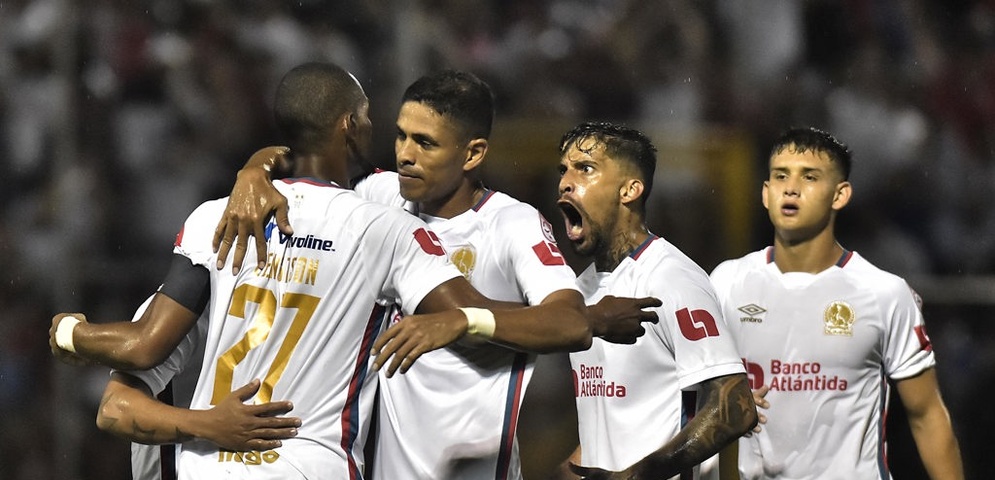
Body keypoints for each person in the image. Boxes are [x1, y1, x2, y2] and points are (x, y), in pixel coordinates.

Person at [49, 62, 654, 479]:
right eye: (399, 136)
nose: (406, 154)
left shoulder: (512, 225)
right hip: (345, 458)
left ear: (472, 153)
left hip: (465, 466)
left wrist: (463, 321)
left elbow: (567, 323)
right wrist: (254, 172)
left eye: (426, 143)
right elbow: (311, 154)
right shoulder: (378, 206)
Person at [708, 127, 964, 479]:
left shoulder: (884, 293)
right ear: (766, 193)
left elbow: (927, 414)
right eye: (780, 176)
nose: (791, 187)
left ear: (840, 195)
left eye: (809, 177)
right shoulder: (726, 282)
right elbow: (700, 396)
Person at [554, 121, 757, 480]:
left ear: (630, 189)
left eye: (585, 169)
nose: (566, 181)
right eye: (564, 170)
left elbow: (735, 407)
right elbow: (618, 421)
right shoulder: (581, 288)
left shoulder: (672, 277)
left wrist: (641, 474)